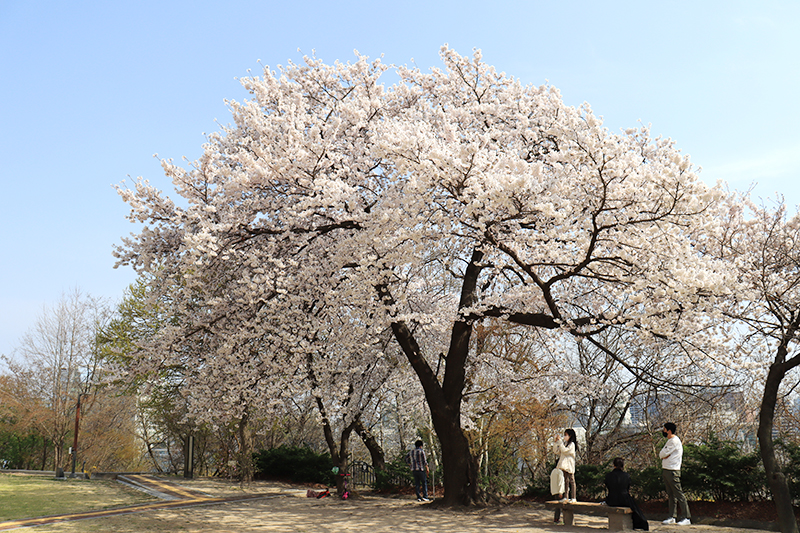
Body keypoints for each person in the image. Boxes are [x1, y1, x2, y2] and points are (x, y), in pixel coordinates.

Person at [604, 457, 649, 530]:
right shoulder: (626, 475)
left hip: (611, 500)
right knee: (635, 508)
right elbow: (627, 488)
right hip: (624, 500)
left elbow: (608, 486)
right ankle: (641, 524)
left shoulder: (608, 475)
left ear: (614, 465)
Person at [659, 422, 691, 526]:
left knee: (678, 494)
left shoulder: (674, 441)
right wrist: (664, 456)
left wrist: (664, 456)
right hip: (667, 469)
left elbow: (663, 454)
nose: (663, 431)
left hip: (672, 470)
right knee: (671, 495)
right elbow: (661, 455)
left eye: (664, 429)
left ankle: (686, 517)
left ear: (668, 431)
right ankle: (672, 516)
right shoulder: (669, 441)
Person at [554, 428, 578, 503]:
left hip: (569, 465)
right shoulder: (564, 444)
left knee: (572, 481)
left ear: (570, 436)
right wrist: (556, 443)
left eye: (566, 435)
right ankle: (566, 497)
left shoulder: (572, 445)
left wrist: (560, 442)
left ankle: (573, 497)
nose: (564, 436)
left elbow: (565, 450)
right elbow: (556, 451)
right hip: (564, 465)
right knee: (565, 481)